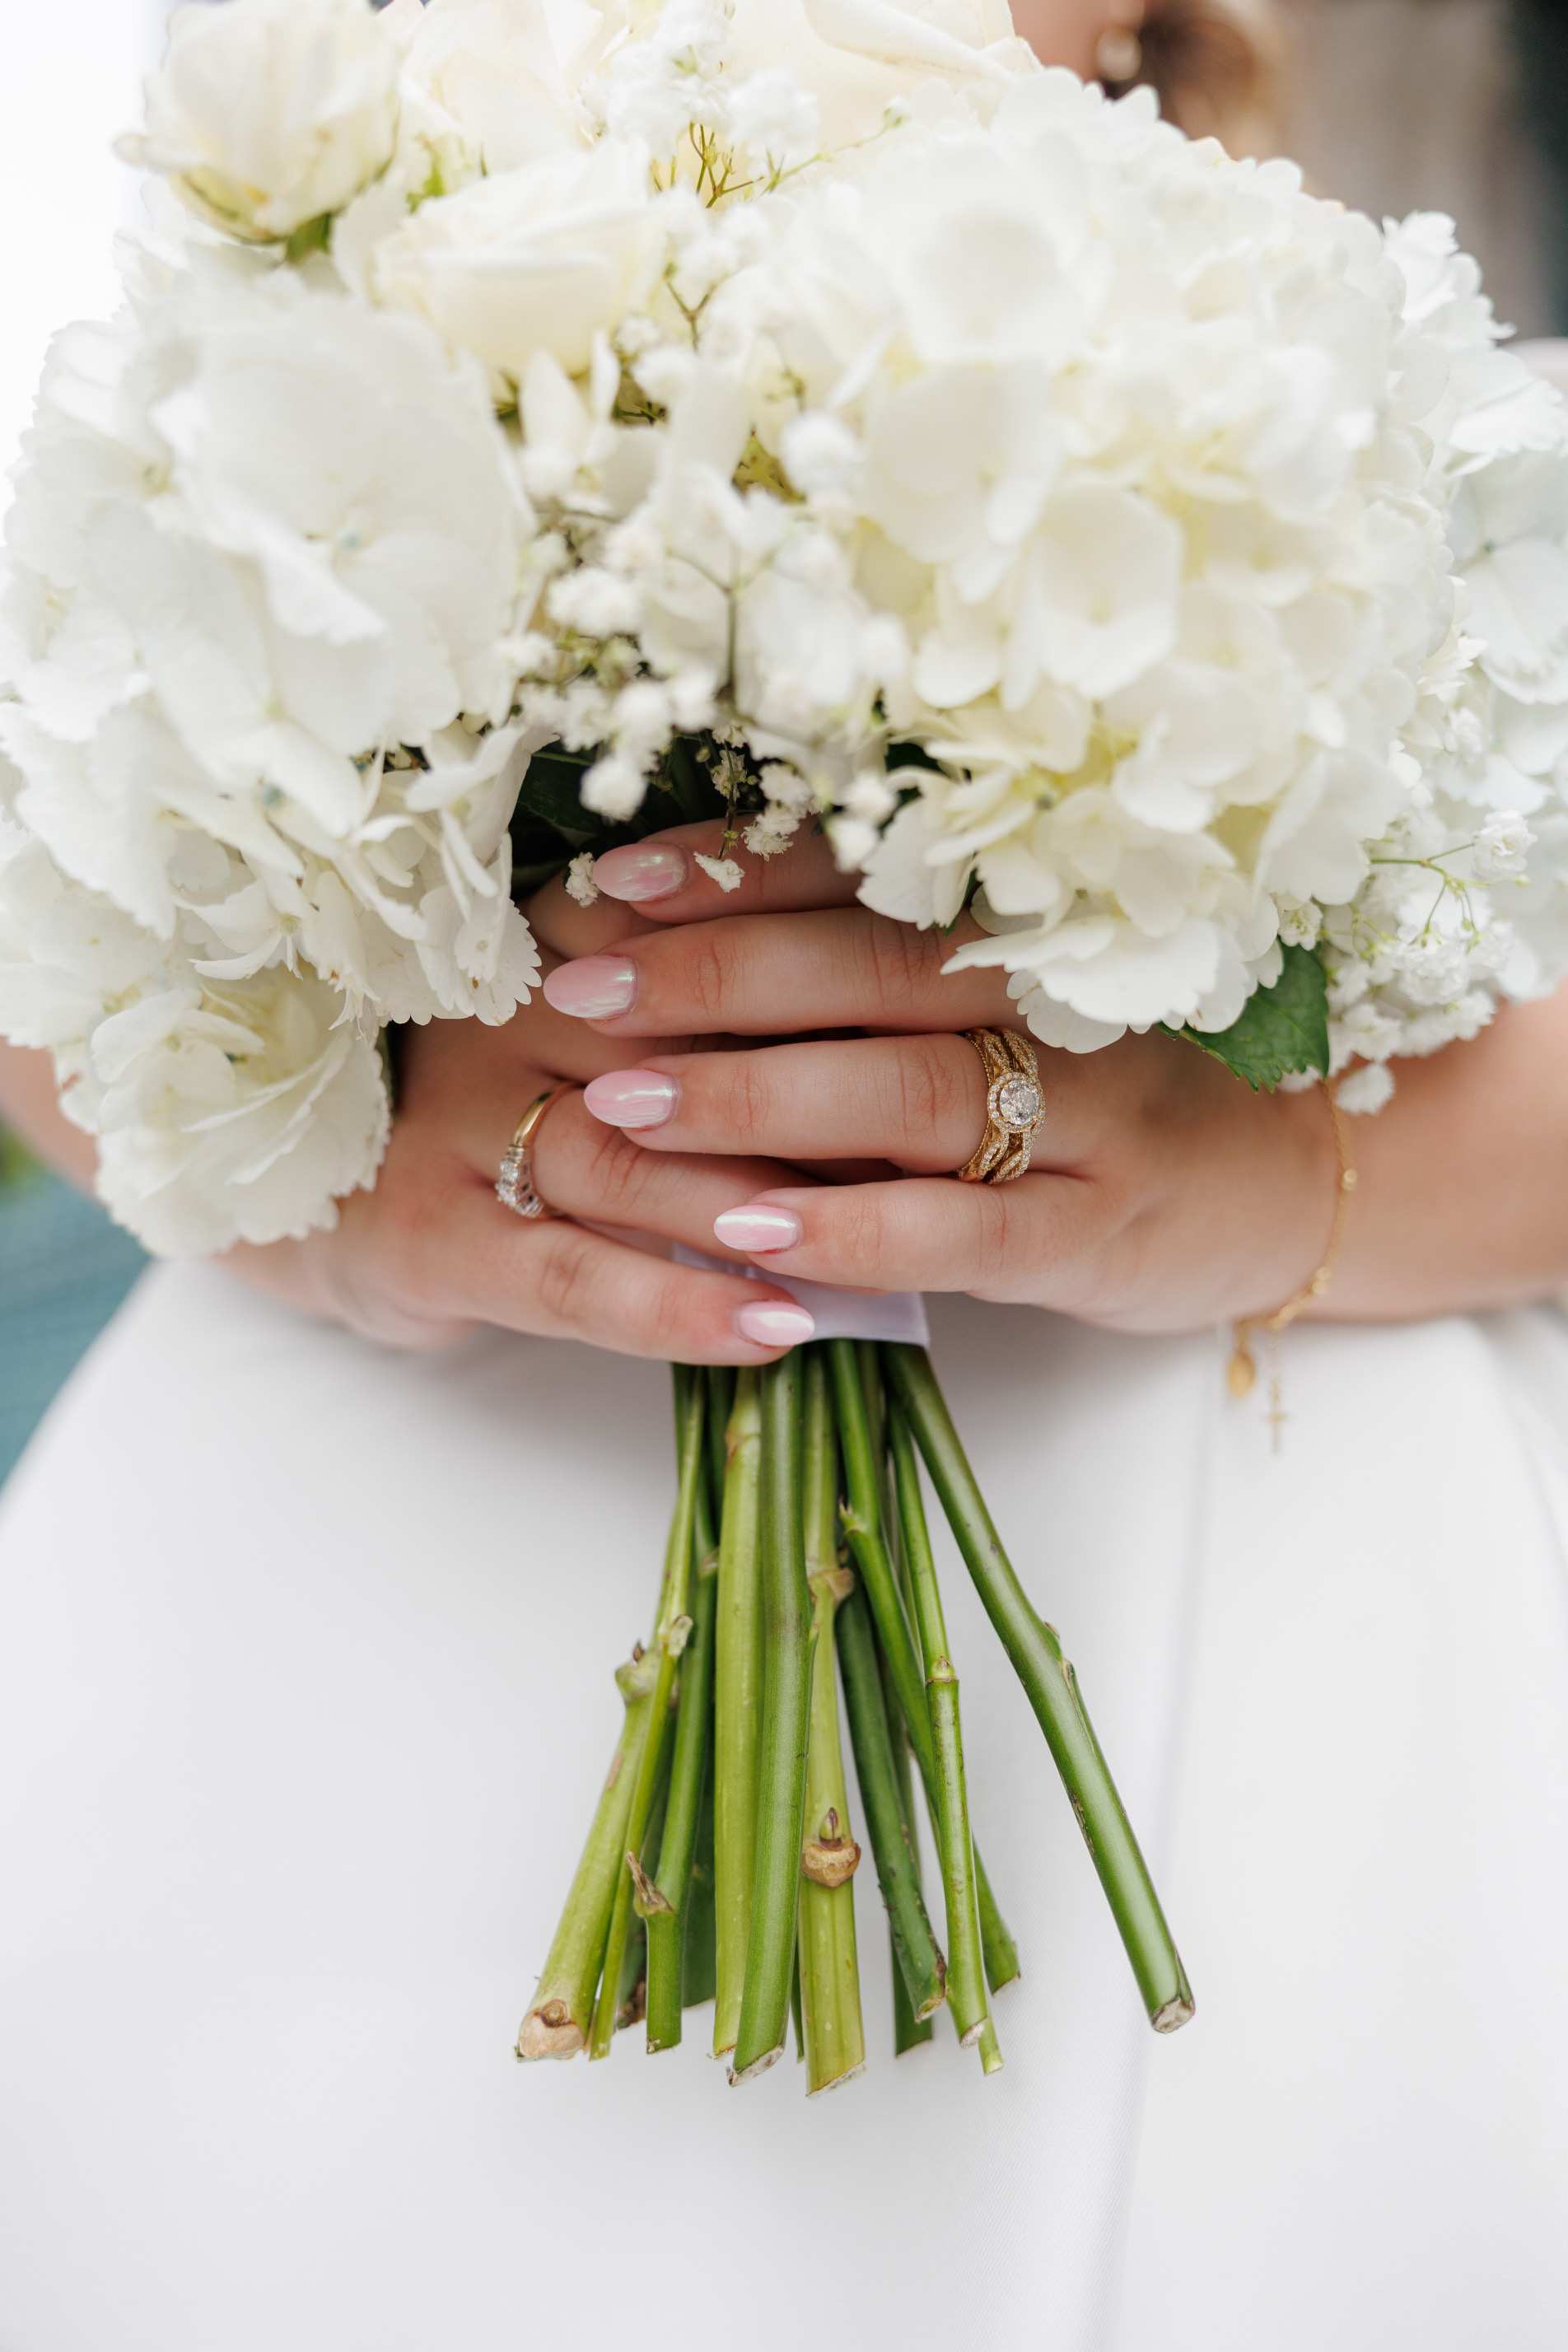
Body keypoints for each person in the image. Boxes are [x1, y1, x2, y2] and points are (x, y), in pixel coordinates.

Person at [2, 7, 1567, 2349]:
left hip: (1286, 1599)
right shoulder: (247, 267)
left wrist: (1280, 1173)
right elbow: (54, 872)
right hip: (341, 1606)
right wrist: (319, 1186)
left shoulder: (1392, 397)